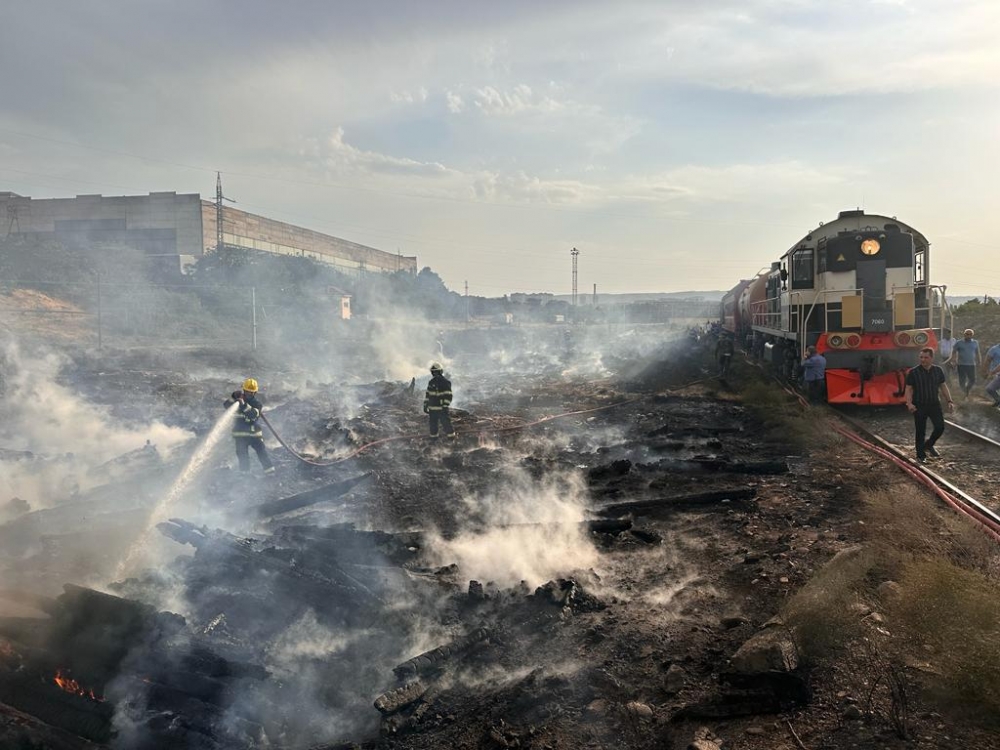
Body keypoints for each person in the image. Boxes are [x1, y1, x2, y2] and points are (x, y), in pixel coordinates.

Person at [904, 348, 955, 464]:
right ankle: (920, 455)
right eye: (921, 357)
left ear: (932, 358)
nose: (923, 360)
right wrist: (909, 403)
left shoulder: (938, 370)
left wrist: (949, 401)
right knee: (920, 431)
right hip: (919, 405)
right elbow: (908, 389)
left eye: (926, 357)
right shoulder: (913, 372)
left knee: (940, 427)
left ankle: (928, 445)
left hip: (934, 404)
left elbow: (943, 386)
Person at [223, 377, 275, 474]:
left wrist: (243, 405)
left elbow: (253, 415)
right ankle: (245, 475)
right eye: (247, 392)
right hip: (240, 435)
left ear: (255, 393)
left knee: (262, 453)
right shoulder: (237, 401)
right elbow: (226, 406)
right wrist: (233, 397)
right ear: (244, 390)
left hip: (254, 435)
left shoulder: (257, 404)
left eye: (251, 393)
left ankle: (270, 473)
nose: (249, 394)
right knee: (242, 456)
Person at [424, 362, 455, 439]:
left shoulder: (445, 382)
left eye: (436, 372)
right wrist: (425, 405)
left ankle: (451, 439)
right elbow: (428, 395)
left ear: (440, 372)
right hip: (432, 409)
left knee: (446, 424)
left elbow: (448, 395)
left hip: (441, 408)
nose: (435, 374)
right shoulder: (431, 382)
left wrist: (445, 406)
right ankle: (434, 439)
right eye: (433, 372)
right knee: (433, 425)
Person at [948, 328, 981, 399]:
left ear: (972, 335)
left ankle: (966, 390)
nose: (968, 336)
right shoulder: (959, 343)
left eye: (970, 334)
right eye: (967, 334)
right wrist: (953, 361)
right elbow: (954, 352)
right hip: (961, 364)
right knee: (962, 380)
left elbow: (977, 352)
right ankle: (964, 394)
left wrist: (979, 361)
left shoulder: (975, 342)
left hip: (971, 364)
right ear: (964, 334)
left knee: (972, 379)